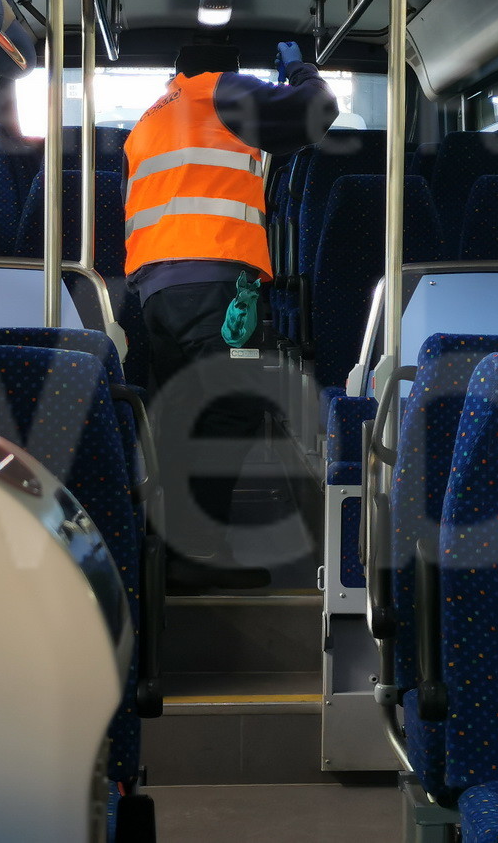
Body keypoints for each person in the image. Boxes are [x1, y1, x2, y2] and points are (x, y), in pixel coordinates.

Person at [125, 40, 338, 588]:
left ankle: (171, 548)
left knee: (184, 410)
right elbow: (318, 111)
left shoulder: (151, 118)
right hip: (211, 283)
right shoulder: (220, 90)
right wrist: (300, 70)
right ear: (229, 71)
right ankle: (198, 556)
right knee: (232, 407)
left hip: (155, 289)